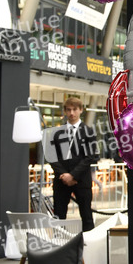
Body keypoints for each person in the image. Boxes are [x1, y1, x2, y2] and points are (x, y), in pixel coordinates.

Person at [49, 96, 98, 231]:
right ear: (65, 111)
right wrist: (64, 175)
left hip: (81, 180)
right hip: (61, 180)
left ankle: (89, 243)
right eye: (69, 110)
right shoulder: (57, 132)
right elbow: (52, 156)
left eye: (75, 109)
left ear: (81, 110)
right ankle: (59, 243)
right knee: (58, 217)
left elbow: (89, 157)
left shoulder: (89, 132)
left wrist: (73, 175)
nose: (72, 113)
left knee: (87, 217)